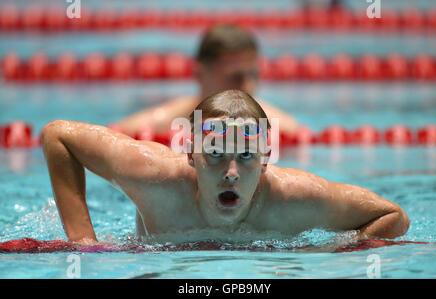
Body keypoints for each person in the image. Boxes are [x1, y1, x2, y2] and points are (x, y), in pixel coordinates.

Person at [41, 90, 409, 245]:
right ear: (189, 154)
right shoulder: (154, 177)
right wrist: (84, 244)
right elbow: (58, 136)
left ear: (265, 160)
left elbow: (393, 216)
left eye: (246, 157)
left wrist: (335, 255)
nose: (231, 171)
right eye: (215, 154)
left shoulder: (297, 198)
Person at [114, 24, 300, 136]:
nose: (248, 87)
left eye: (254, 76)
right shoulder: (157, 126)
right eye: (235, 77)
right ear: (200, 74)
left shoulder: (282, 129)